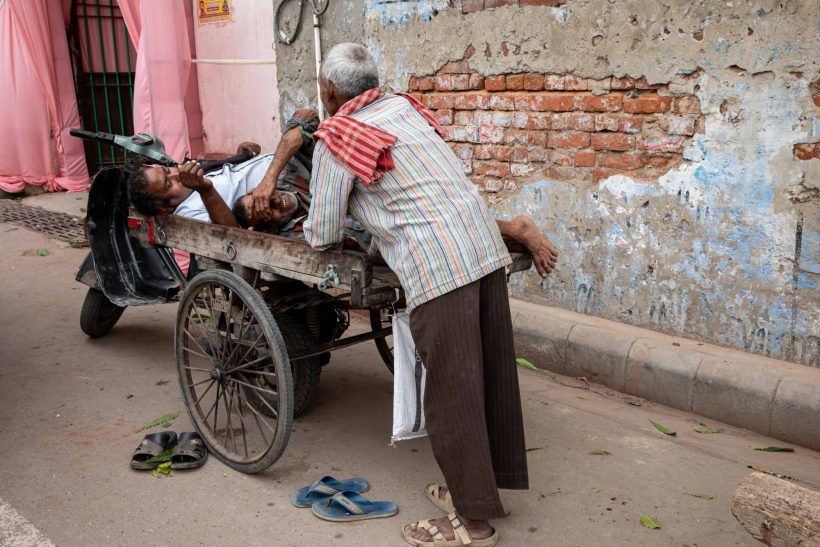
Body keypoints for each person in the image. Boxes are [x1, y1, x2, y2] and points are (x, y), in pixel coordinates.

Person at [303, 43, 558, 546]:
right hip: (483, 248)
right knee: (486, 378)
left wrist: (348, 220)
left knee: (450, 396)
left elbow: (324, 231)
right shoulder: (402, 107)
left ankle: (474, 523)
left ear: (329, 90)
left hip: (439, 267)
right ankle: (481, 493)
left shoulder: (336, 137)